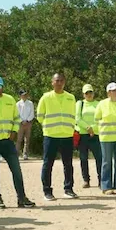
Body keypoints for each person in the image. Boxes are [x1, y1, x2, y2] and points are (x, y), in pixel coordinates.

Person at [0, 76, 36, 209]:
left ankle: (22, 198)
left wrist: (14, 131)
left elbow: (16, 118)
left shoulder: (9, 100)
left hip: (7, 140)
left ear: (3, 87)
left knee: (16, 169)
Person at [37, 73, 78, 201]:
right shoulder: (46, 97)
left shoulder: (71, 98)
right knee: (48, 163)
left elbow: (74, 115)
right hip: (51, 135)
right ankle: (47, 191)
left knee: (68, 164)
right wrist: (47, 126)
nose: (59, 83)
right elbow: (40, 115)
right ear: (52, 82)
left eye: (61, 81)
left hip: (66, 134)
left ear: (64, 82)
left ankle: (68, 189)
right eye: (56, 81)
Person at [94, 82, 116, 195]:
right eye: (114, 90)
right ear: (108, 92)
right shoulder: (102, 104)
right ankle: (106, 186)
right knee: (106, 162)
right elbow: (97, 119)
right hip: (106, 137)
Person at [76, 84, 102, 189]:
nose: (89, 95)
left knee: (99, 158)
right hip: (83, 135)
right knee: (83, 158)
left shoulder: (99, 104)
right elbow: (77, 118)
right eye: (87, 93)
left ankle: (101, 180)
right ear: (83, 94)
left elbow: (101, 119)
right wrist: (88, 128)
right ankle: (86, 180)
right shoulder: (80, 103)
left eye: (90, 92)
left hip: (96, 134)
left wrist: (93, 129)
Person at [15, 89, 34, 160]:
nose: (25, 96)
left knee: (27, 139)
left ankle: (25, 154)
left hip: (28, 123)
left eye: (26, 94)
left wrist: (28, 120)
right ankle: (16, 154)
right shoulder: (18, 104)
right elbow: (17, 114)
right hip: (20, 123)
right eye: (23, 95)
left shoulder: (30, 103)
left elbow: (32, 113)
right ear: (20, 96)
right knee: (19, 139)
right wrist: (22, 121)